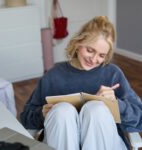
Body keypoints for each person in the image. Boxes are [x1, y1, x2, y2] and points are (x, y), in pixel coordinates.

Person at [20, 16, 142, 150]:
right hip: (60, 141)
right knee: (62, 111)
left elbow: (139, 117)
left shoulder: (112, 74)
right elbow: (26, 117)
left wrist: (117, 105)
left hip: (105, 142)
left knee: (97, 109)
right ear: (78, 44)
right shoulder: (53, 76)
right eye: (90, 50)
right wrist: (41, 114)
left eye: (101, 55)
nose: (94, 59)